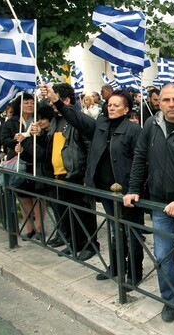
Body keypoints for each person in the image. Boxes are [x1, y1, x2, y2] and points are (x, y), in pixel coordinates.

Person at [123, 84, 174, 324]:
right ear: (158, 102)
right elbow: (140, 157)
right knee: (162, 255)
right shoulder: (150, 124)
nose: (171, 104)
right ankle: (170, 297)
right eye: (166, 100)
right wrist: (133, 189)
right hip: (159, 203)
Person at [43, 84, 144, 284]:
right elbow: (77, 119)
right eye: (109, 104)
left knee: (131, 232)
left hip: (127, 193)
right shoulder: (101, 125)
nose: (111, 108)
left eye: (117, 105)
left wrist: (134, 189)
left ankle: (134, 272)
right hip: (106, 191)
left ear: (126, 109)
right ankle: (116, 267)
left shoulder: (134, 130)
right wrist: (56, 101)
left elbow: (140, 162)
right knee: (115, 230)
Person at [31, 83, 97, 261]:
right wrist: (40, 136)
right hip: (58, 176)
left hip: (76, 175)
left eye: (54, 99)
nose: (50, 104)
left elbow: (90, 148)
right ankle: (73, 244)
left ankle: (90, 246)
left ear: (66, 100)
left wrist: (87, 175)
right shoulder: (54, 121)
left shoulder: (78, 121)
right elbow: (50, 147)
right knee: (67, 213)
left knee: (83, 213)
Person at [1, 93, 42, 239]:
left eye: (32, 102)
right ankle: (29, 226)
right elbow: (3, 139)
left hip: (35, 162)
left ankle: (40, 228)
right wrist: (15, 143)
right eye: (26, 103)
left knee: (37, 197)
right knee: (23, 197)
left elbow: (44, 138)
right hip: (19, 162)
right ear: (20, 105)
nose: (30, 105)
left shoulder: (38, 120)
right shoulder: (12, 122)